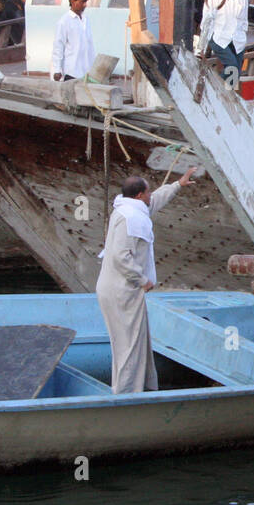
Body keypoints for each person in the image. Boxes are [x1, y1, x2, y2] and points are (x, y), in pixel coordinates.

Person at [96, 167, 198, 393]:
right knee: (128, 346)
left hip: (122, 289)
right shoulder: (130, 218)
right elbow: (120, 257)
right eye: (148, 192)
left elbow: (155, 201)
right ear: (140, 194)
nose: (151, 195)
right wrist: (143, 280)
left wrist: (178, 184)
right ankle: (125, 395)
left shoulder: (127, 208)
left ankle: (141, 389)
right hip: (122, 290)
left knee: (137, 342)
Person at [198, 0, 248, 88]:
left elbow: (244, 17)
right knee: (232, 67)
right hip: (219, 36)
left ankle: (226, 96)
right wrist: (202, 46)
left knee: (236, 73)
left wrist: (243, 32)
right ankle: (212, 89)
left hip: (237, 38)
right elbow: (207, 18)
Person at [52, 0, 95, 81]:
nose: (85, 5)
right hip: (72, 70)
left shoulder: (85, 19)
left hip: (87, 69)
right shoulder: (64, 21)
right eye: (82, 2)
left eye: (85, 2)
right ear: (72, 1)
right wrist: (57, 69)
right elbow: (58, 46)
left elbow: (89, 43)